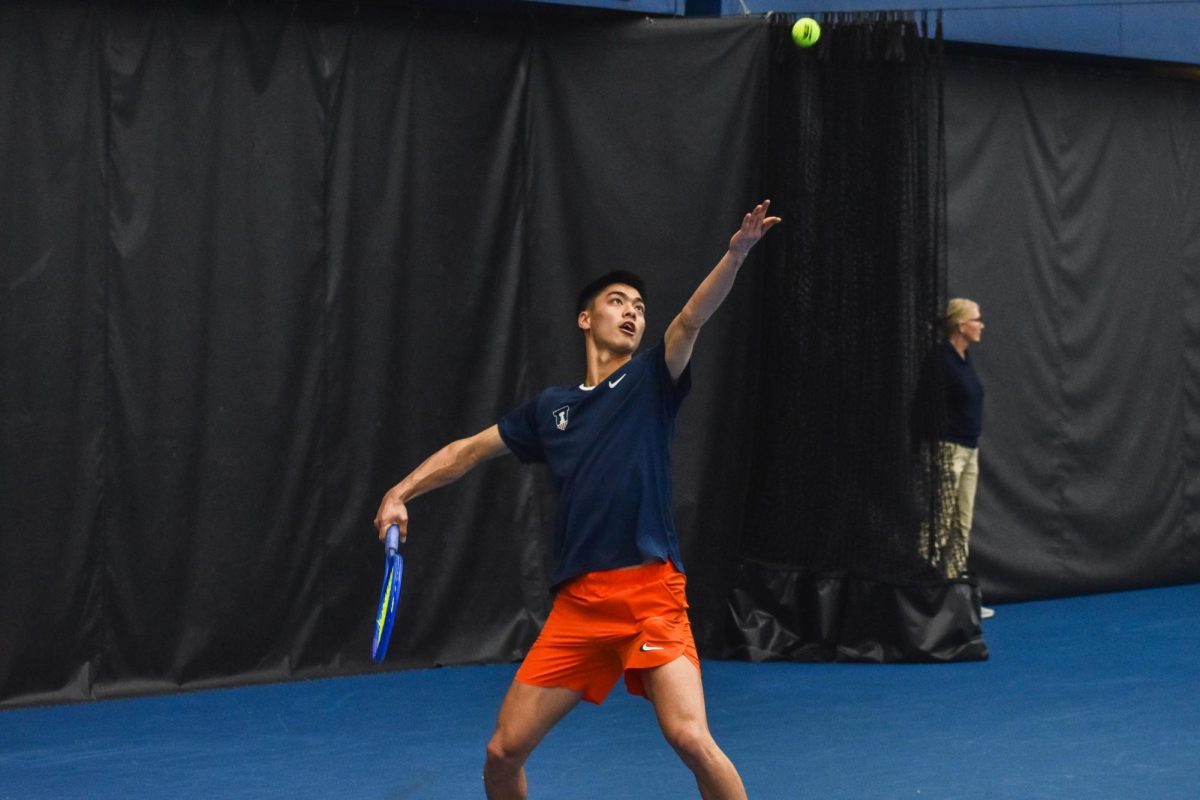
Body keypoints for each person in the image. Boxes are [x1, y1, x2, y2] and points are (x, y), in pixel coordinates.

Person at [374, 201, 780, 799]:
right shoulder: (551, 410)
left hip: (650, 596)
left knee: (690, 737)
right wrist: (399, 491)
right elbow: (467, 451)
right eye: (618, 302)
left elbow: (690, 320)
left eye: (639, 307)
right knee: (502, 753)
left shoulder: (651, 379)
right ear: (585, 319)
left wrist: (735, 255)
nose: (633, 313)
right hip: (580, 608)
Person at [935, 297, 990, 618]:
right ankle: (925, 594)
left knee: (962, 524)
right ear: (960, 325)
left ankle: (957, 598)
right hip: (948, 450)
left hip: (970, 449)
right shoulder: (941, 361)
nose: (981, 325)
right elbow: (928, 406)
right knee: (939, 523)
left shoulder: (965, 359)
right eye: (976, 320)